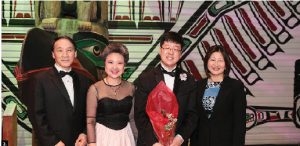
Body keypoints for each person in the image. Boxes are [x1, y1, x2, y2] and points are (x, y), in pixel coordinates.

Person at [134, 31, 197, 146]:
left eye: (176, 49)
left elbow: (192, 114)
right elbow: (139, 114)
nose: (171, 52)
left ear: (181, 54)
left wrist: (179, 139)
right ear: (160, 50)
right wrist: (154, 142)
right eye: (167, 47)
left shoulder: (189, 80)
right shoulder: (145, 78)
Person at [27, 36, 93, 146]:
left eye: (69, 50)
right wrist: (54, 142)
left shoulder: (84, 80)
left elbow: (89, 112)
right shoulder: (39, 80)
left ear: (75, 54)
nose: (65, 55)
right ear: (53, 54)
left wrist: (85, 133)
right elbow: (36, 115)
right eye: (60, 50)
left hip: (78, 143)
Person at [189, 45, 247, 146]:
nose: (216, 64)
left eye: (220, 60)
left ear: (226, 64)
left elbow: (240, 124)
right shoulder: (198, 86)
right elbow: (195, 120)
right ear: (207, 62)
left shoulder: (235, 86)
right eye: (212, 60)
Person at [86, 43, 136, 146]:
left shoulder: (131, 88)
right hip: (102, 137)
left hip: (125, 137)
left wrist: (137, 139)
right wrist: (92, 143)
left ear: (124, 66)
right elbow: (90, 120)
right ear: (105, 64)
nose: (115, 67)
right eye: (110, 62)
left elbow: (132, 118)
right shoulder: (95, 89)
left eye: (119, 63)